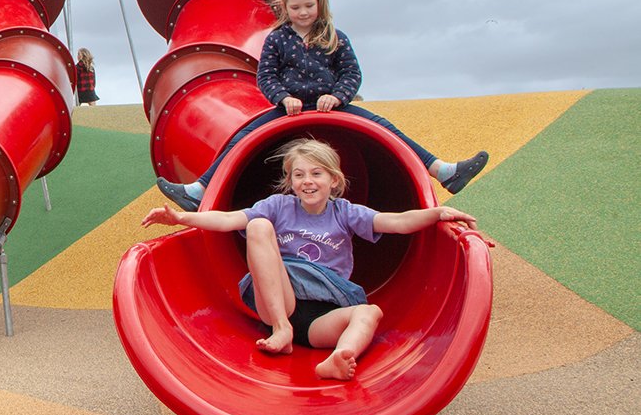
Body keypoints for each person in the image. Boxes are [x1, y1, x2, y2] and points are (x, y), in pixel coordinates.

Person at [142, 138, 480, 380]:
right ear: (289, 182)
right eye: (299, 175)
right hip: (280, 301)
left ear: (334, 180)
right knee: (258, 226)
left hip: (324, 316)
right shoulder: (278, 206)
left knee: (370, 311)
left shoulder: (344, 212)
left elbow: (394, 222)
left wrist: (437, 213)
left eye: (317, 174)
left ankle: (337, 359)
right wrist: (182, 219)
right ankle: (281, 329)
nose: (307, 181)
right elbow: (228, 220)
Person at [156, 0, 488, 212]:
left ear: (320, 4)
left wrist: (338, 96)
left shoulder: (335, 37)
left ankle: (443, 171)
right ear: (285, 7)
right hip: (291, 108)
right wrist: (283, 98)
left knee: (383, 126)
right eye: (296, 7)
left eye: (308, 6)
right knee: (243, 133)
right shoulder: (277, 39)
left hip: (331, 106)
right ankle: (199, 189)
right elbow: (266, 77)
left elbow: (352, 73)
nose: (302, 13)